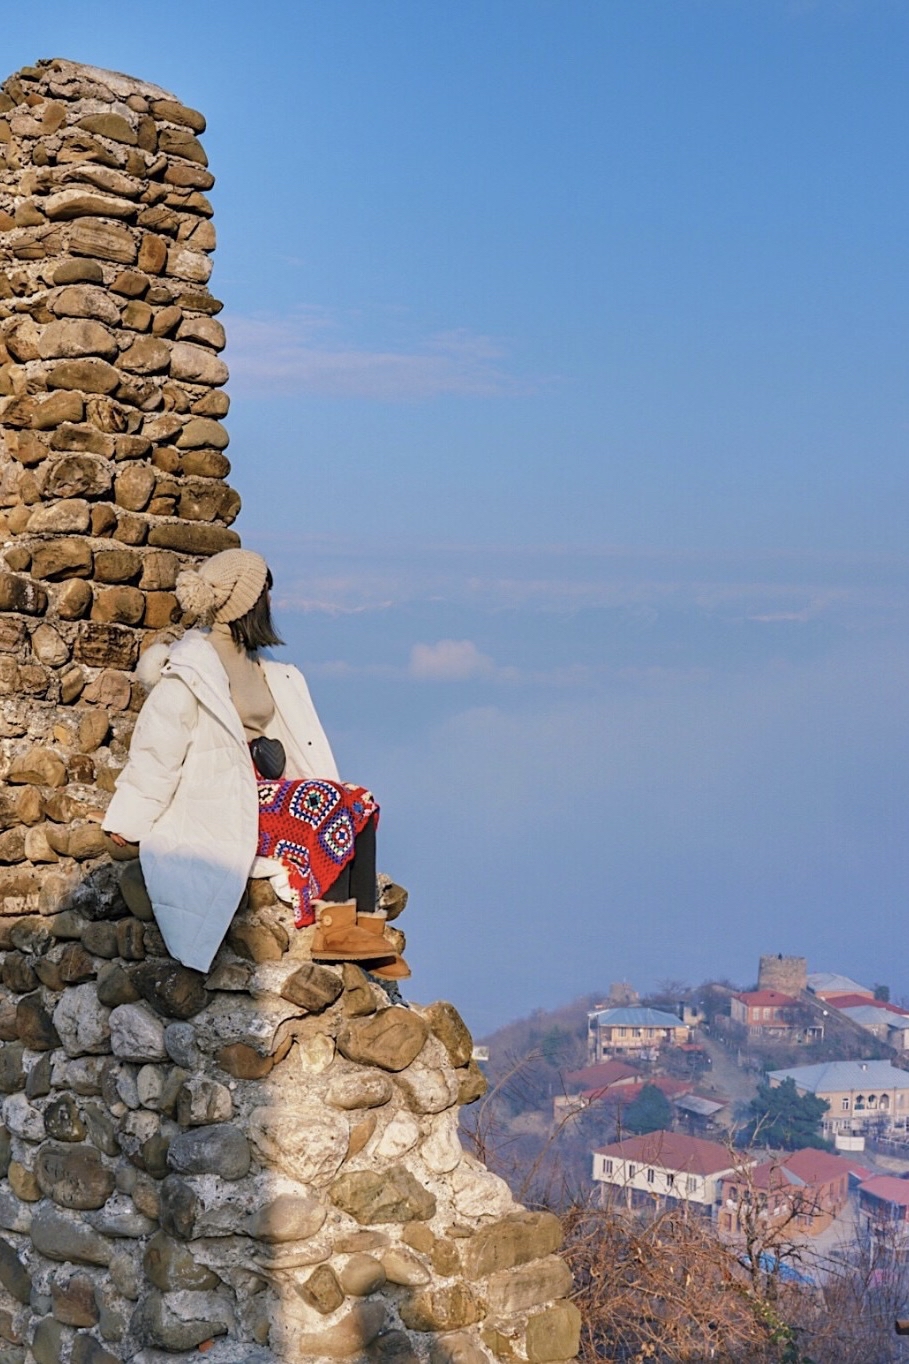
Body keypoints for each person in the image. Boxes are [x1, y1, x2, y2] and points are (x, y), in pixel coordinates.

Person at [102, 549, 406, 978]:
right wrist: (129, 820)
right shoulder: (190, 673)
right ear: (246, 601)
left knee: (360, 801)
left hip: (263, 788)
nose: (271, 603)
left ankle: (363, 928)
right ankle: (334, 928)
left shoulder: (260, 665)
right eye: (265, 593)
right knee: (325, 801)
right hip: (224, 800)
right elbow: (157, 753)